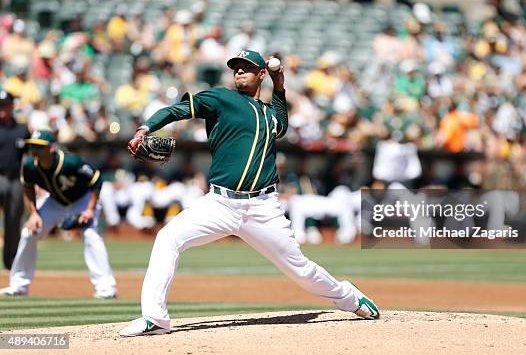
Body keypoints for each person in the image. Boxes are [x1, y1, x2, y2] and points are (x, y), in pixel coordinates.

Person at [119, 50, 380, 337]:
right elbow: (175, 110)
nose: (239, 72)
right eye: (236, 68)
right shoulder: (221, 98)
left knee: (301, 271)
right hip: (219, 203)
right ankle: (155, 318)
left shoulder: (269, 114)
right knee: (167, 238)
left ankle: (350, 298)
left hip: (263, 208)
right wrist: (145, 128)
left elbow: (282, 123)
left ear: (260, 74)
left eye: (246, 68)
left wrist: (280, 86)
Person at [0, 129, 117, 298]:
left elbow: (96, 179)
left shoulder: (70, 161)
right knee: (28, 233)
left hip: (82, 201)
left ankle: (107, 288)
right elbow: (28, 186)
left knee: (91, 235)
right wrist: (34, 213)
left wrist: (90, 209)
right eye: (32, 146)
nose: (35, 150)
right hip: (55, 202)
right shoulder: (29, 166)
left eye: (39, 147)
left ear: (51, 147)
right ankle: (19, 285)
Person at [0, 90, 29, 270]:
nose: (2, 109)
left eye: (5, 105)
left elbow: (30, 157)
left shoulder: (22, 130)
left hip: (15, 179)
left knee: (13, 221)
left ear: (12, 106)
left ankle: (11, 263)